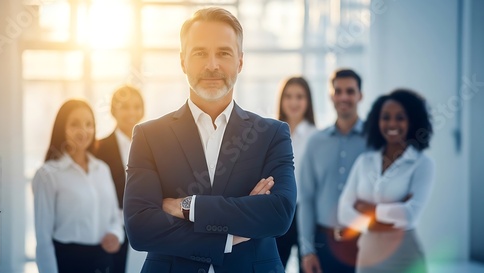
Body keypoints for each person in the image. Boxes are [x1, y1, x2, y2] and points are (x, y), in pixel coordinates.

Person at [123, 7, 296, 273]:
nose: (212, 65)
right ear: (183, 61)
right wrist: (232, 234)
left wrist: (188, 207)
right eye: (200, 53)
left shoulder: (272, 134)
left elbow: (279, 214)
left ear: (240, 61)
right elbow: (141, 228)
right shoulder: (149, 136)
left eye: (224, 53)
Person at [338, 89, 434, 273]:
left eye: (400, 118)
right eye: (386, 117)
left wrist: (368, 209)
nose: (392, 123)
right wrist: (384, 219)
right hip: (368, 254)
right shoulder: (364, 161)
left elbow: (410, 215)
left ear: (412, 121)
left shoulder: (422, 164)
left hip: (405, 257)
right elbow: (344, 211)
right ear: (377, 121)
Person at [32, 99, 124, 273]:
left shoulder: (102, 169)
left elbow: (114, 217)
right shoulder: (48, 174)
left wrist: (115, 235)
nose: (83, 131)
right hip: (68, 262)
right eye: (75, 124)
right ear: (62, 128)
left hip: (104, 261)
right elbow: (43, 239)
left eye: (89, 124)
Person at [298, 69, 366, 273]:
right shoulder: (315, 142)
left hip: (363, 242)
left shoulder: (375, 141)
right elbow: (307, 199)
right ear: (331, 96)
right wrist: (307, 251)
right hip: (322, 244)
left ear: (360, 96)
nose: (344, 97)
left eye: (350, 91)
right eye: (338, 91)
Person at [95, 85, 145, 273]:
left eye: (136, 106)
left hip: (145, 228)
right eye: (124, 107)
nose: (131, 112)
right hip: (110, 229)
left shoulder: (153, 146)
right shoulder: (98, 148)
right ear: (113, 110)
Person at [275, 76, 316, 272]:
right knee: (274, 266)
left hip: (306, 213)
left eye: (299, 96)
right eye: (288, 96)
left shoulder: (316, 137)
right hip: (279, 211)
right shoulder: (272, 134)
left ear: (308, 101)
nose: (293, 102)